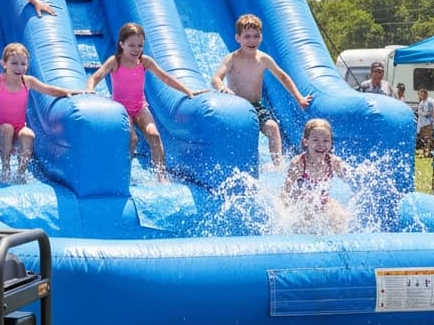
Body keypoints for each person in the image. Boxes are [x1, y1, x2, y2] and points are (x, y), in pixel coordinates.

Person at [87, 22, 204, 181]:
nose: (136, 50)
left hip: (139, 106)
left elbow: (165, 77)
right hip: (121, 109)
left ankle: (161, 175)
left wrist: (187, 91)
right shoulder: (115, 61)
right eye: (132, 45)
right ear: (122, 44)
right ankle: (124, 174)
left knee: (154, 135)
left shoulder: (145, 61)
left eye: (140, 45)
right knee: (132, 139)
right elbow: (95, 77)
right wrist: (90, 89)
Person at [0, 43, 80, 182]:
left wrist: (70, 92)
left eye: (23, 64)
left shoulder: (27, 82)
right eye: (14, 63)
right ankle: (5, 170)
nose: (19, 68)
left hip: (17, 132)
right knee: (7, 128)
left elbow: (49, 90)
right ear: (4, 64)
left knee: (28, 134)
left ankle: (20, 174)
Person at [211, 13, 312, 166]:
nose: (252, 40)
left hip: (256, 104)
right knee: (242, 136)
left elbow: (283, 77)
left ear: (261, 37)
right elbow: (216, 78)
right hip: (236, 106)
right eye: (247, 36)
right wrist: (222, 87)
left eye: (255, 36)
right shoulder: (232, 59)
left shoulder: (263, 59)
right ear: (238, 38)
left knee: (272, 127)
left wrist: (299, 98)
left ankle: (278, 166)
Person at [281, 117, 350, 233]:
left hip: (323, 201)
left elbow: (352, 180)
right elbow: (286, 190)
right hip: (301, 204)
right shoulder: (298, 164)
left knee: (340, 218)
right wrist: (284, 210)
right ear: (306, 142)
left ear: (331, 143)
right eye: (316, 140)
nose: (321, 145)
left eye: (326, 140)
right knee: (303, 221)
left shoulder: (333, 162)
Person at [415, 87, 434, 155]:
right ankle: (425, 151)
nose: (420, 96)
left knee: (428, 139)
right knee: (423, 138)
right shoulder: (422, 102)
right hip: (422, 123)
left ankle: (428, 152)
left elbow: (429, 113)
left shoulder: (429, 101)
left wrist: (421, 113)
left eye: (421, 94)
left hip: (428, 123)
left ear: (425, 94)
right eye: (419, 95)